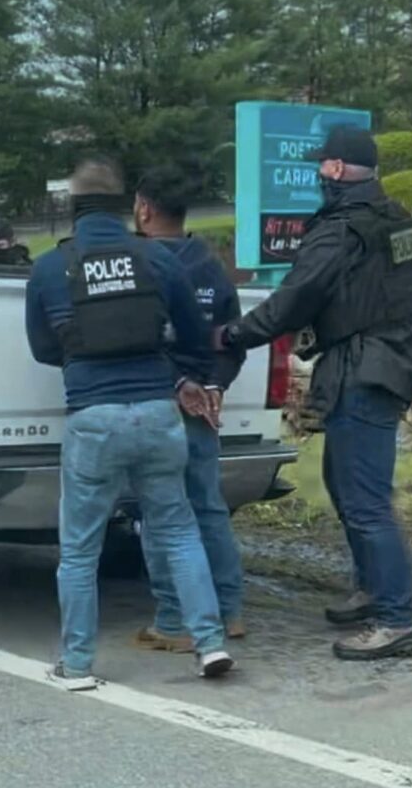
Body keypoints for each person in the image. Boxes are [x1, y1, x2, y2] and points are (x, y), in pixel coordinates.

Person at [216, 125, 412, 661]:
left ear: (335, 169)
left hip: (364, 371)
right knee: (345, 485)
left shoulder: (341, 230)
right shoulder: (397, 221)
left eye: (323, 166)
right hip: (392, 363)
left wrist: (234, 335)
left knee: (364, 500)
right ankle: (372, 590)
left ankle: (395, 619)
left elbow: (295, 298)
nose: (319, 173)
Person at [25, 157, 234, 689]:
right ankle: (209, 644)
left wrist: (84, 360)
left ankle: (75, 666)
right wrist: (183, 374)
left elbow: (42, 346)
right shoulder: (156, 259)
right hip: (157, 416)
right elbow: (193, 334)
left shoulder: (51, 267)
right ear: (126, 209)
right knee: (179, 530)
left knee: (79, 550)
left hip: (94, 417)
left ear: (72, 210)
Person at [132, 166, 247, 651]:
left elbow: (134, 337)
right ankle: (230, 609)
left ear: (143, 210)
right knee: (208, 507)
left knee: (161, 513)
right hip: (203, 406)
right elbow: (231, 337)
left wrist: (178, 382)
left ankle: (171, 618)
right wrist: (214, 384)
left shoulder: (139, 262)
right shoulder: (209, 264)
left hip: (157, 401)